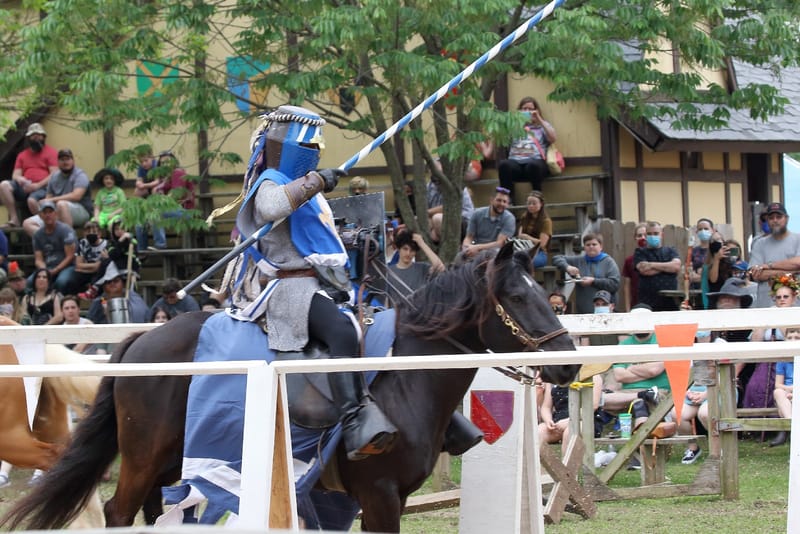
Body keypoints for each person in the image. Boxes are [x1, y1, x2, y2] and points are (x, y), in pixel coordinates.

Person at [233, 105, 398, 461]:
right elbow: (274, 207)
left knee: (379, 323)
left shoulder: (309, 191)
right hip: (292, 289)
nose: (313, 153)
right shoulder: (270, 182)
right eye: (307, 146)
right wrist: (316, 181)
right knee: (340, 331)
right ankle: (354, 419)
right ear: (285, 145)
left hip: (324, 283)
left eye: (316, 147)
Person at [678, 277, 754, 464]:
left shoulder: (742, 330)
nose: (727, 301)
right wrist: (688, 390)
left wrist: (706, 394)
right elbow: (686, 371)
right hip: (697, 386)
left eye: (732, 298)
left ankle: (717, 451)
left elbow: (733, 371)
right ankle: (692, 448)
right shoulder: (691, 345)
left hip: (726, 383)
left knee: (706, 412)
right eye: (723, 298)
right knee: (677, 414)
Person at [743, 275, 798, 413]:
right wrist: (765, 320)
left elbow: (790, 336)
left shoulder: (796, 315)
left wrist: (779, 318)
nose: (782, 300)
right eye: (778, 297)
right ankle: (762, 428)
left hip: (789, 361)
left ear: (794, 298)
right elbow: (755, 342)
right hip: (767, 360)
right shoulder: (769, 313)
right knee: (756, 386)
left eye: (786, 297)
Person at [22, 149, 93, 237]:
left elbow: (76, 196)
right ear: (58, 162)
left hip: (82, 212)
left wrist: (51, 200)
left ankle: (69, 241)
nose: (65, 162)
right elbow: (48, 198)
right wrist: (45, 208)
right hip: (57, 211)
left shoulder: (80, 175)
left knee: (61, 205)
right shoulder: (54, 176)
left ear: (73, 161)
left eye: (68, 159)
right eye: (62, 159)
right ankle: (50, 241)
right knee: (28, 223)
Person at [0, 122, 58, 229]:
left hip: (43, 188)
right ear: (28, 138)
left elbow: (54, 174)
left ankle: (44, 226)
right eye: (33, 135)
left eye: (39, 135)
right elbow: (15, 175)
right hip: (25, 187)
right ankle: (14, 219)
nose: (36, 138)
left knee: (32, 201)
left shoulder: (51, 152)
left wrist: (37, 185)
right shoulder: (22, 155)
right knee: (4, 185)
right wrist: (20, 179)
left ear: (44, 137)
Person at [135, 150, 195, 251]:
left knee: (155, 213)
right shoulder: (165, 177)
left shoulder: (177, 173)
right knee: (141, 220)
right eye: (162, 163)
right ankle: (142, 251)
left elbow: (174, 196)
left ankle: (160, 244)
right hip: (168, 210)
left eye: (168, 161)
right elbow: (140, 193)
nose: (165, 164)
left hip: (184, 211)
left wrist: (156, 200)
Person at [497, 96, 557, 196]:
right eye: (524, 109)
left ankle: (537, 197)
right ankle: (506, 199)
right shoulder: (513, 125)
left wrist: (539, 119)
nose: (527, 111)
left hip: (535, 163)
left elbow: (553, 138)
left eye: (531, 109)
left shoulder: (542, 125)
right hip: (516, 163)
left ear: (536, 110)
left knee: (533, 166)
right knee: (504, 165)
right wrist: (516, 121)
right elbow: (503, 139)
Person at [552, 233, 621, 314]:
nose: (591, 247)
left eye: (594, 244)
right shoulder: (578, 260)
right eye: (588, 245)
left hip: (605, 312)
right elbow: (556, 258)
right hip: (583, 311)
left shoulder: (609, 262)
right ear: (584, 247)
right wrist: (567, 267)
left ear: (601, 247)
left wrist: (593, 281)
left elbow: (615, 284)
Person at [748, 203, 800, 308]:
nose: (775, 220)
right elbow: (756, 274)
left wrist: (768, 266)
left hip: (796, 306)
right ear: (768, 221)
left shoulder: (798, 239)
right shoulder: (759, 244)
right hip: (766, 306)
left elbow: (798, 263)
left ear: (786, 219)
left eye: (779, 217)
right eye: (771, 218)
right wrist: (791, 272)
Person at [385, 230, 444, 307]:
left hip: (419, 315)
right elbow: (385, 302)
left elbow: (440, 267)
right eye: (405, 249)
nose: (408, 253)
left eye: (412, 250)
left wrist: (422, 243)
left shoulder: (422, 268)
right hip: (398, 316)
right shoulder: (388, 272)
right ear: (399, 249)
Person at [31, 199, 77, 294]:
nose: (48, 215)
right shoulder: (37, 235)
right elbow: (38, 259)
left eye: (50, 212)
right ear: (40, 215)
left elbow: (70, 256)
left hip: (67, 266)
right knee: (29, 282)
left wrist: (56, 270)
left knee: (61, 282)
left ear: (55, 213)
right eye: (45, 212)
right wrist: (44, 271)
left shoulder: (65, 230)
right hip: (48, 267)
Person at [634, 221, 681, 311]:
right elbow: (644, 270)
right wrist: (667, 267)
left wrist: (651, 264)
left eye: (656, 233)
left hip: (670, 302)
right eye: (649, 234)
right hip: (647, 302)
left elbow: (676, 267)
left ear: (661, 235)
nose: (652, 236)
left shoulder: (671, 250)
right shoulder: (640, 252)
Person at [426, 160, 474, 243]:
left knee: (437, 219)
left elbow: (448, 207)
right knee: (426, 225)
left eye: (438, 172)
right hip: (441, 221)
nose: (436, 175)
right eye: (433, 171)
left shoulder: (454, 184)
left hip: (463, 220)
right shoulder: (429, 186)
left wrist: (427, 212)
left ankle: (453, 246)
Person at [86, 262, 148, 326]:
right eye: (108, 282)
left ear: (123, 284)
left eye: (116, 281)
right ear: (103, 286)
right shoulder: (99, 302)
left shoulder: (134, 299)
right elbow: (90, 324)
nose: (112, 284)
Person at [460, 187, 515, 259]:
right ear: (491, 200)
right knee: (459, 257)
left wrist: (478, 248)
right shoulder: (477, 213)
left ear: (507, 204)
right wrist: (466, 248)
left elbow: (500, 243)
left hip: (494, 251)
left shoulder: (509, 219)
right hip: (474, 248)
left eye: (504, 202)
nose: (501, 204)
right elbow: (469, 237)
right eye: (499, 200)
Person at [770, 327, 796, 447]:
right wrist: (790, 390)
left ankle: (787, 430)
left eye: (797, 338)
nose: (793, 340)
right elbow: (778, 384)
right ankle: (792, 424)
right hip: (788, 392)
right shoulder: (783, 360)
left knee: (783, 405)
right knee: (778, 392)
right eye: (790, 338)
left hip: (794, 392)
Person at [70, 220, 108, 299]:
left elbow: (100, 267)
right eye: (88, 232)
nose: (91, 234)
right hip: (86, 273)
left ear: (100, 234)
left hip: (99, 274)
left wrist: (84, 267)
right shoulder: (82, 243)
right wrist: (94, 266)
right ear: (84, 234)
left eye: (94, 231)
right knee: (71, 279)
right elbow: (78, 265)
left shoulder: (106, 245)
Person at [515, 190, 551, 268]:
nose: (531, 206)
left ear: (541, 204)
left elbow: (542, 244)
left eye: (534, 203)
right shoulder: (524, 217)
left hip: (539, 252)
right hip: (524, 248)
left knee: (525, 262)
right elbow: (520, 236)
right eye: (529, 203)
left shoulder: (546, 221)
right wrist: (523, 237)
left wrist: (527, 237)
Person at [621, 223, 647, 312]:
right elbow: (627, 286)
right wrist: (628, 309)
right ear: (635, 238)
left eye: (645, 235)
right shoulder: (629, 261)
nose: (643, 238)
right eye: (639, 235)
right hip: (636, 306)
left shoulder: (659, 258)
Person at [688, 218, 715, 289]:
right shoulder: (692, 252)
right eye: (700, 229)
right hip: (695, 291)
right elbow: (689, 276)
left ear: (712, 230)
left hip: (713, 289)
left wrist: (700, 275)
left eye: (706, 229)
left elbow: (715, 276)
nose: (703, 231)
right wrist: (706, 276)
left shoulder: (716, 250)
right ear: (696, 232)